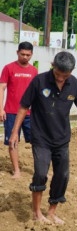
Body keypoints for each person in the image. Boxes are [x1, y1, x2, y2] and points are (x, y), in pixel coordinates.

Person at [9, 51, 77, 225]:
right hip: (41, 137)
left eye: (64, 76)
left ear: (72, 70)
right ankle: (37, 213)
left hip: (62, 138)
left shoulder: (73, 84)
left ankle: (51, 212)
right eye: (58, 74)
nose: (60, 79)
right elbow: (23, 106)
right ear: (53, 65)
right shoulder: (39, 81)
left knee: (62, 175)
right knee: (40, 174)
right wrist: (15, 132)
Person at [0, 41, 38, 178]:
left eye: (28, 55)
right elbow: (2, 88)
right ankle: (16, 170)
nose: (25, 57)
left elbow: (36, 93)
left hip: (29, 113)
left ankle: (39, 170)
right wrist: (1, 109)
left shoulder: (34, 71)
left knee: (36, 141)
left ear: (32, 54)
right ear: (17, 53)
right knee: (13, 140)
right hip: (11, 112)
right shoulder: (8, 68)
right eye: (22, 54)